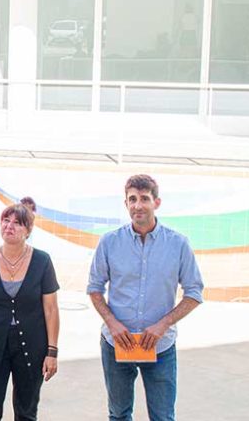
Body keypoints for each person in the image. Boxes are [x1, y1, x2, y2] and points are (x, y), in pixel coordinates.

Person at [87, 174, 204, 421]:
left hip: (160, 347)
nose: (137, 205)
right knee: (118, 414)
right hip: (117, 344)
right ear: (126, 203)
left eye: (144, 199)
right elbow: (95, 288)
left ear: (156, 203)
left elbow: (194, 292)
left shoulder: (178, 244)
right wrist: (113, 324)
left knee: (162, 417)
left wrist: (163, 325)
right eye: (132, 199)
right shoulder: (109, 242)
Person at [0, 203, 59, 421]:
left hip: (31, 346)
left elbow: (51, 309)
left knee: (27, 412)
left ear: (28, 230)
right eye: (6, 220)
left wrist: (52, 352)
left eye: (17, 223)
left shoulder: (42, 261)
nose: (9, 226)